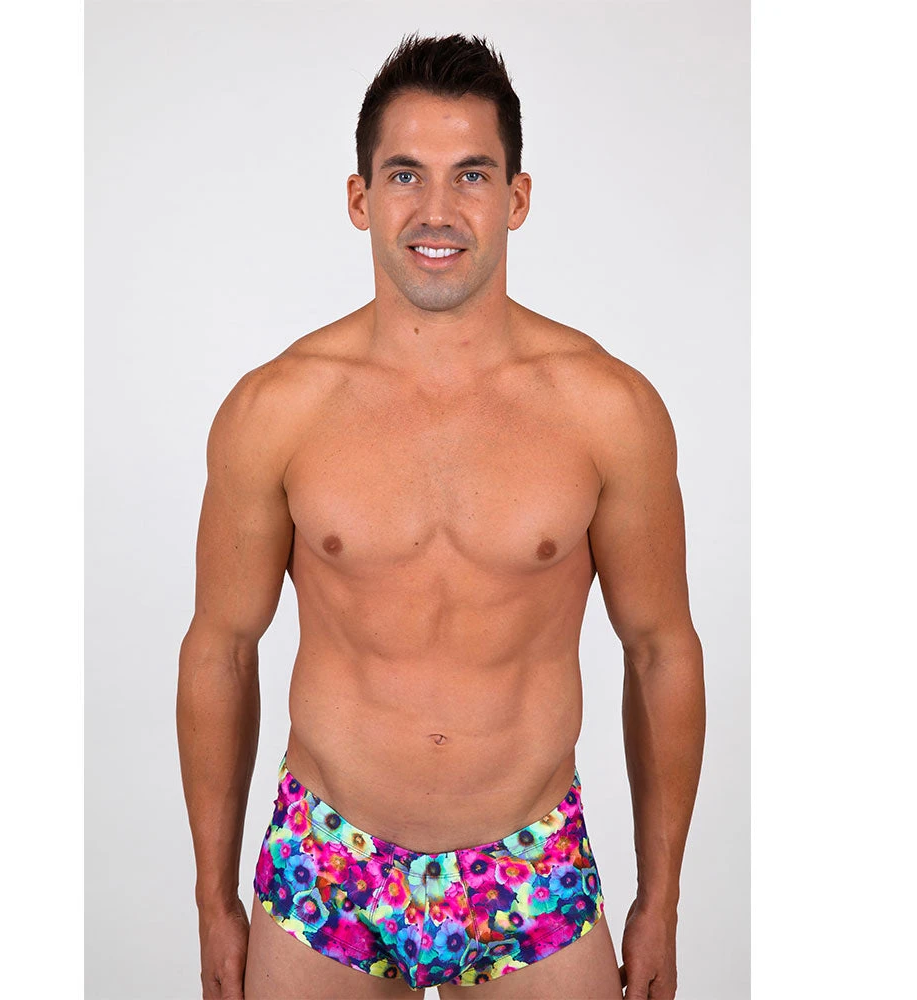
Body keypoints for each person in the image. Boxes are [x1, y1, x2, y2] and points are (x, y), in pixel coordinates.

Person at [177, 32, 705, 1000]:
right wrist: (212, 898)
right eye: (405, 175)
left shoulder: (607, 408)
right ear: (359, 198)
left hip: (530, 860)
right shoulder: (277, 408)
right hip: (327, 861)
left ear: (516, 198)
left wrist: (661, 898)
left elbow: (660, 647)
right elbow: (221, 647)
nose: (437, 210)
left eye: (470, 175)